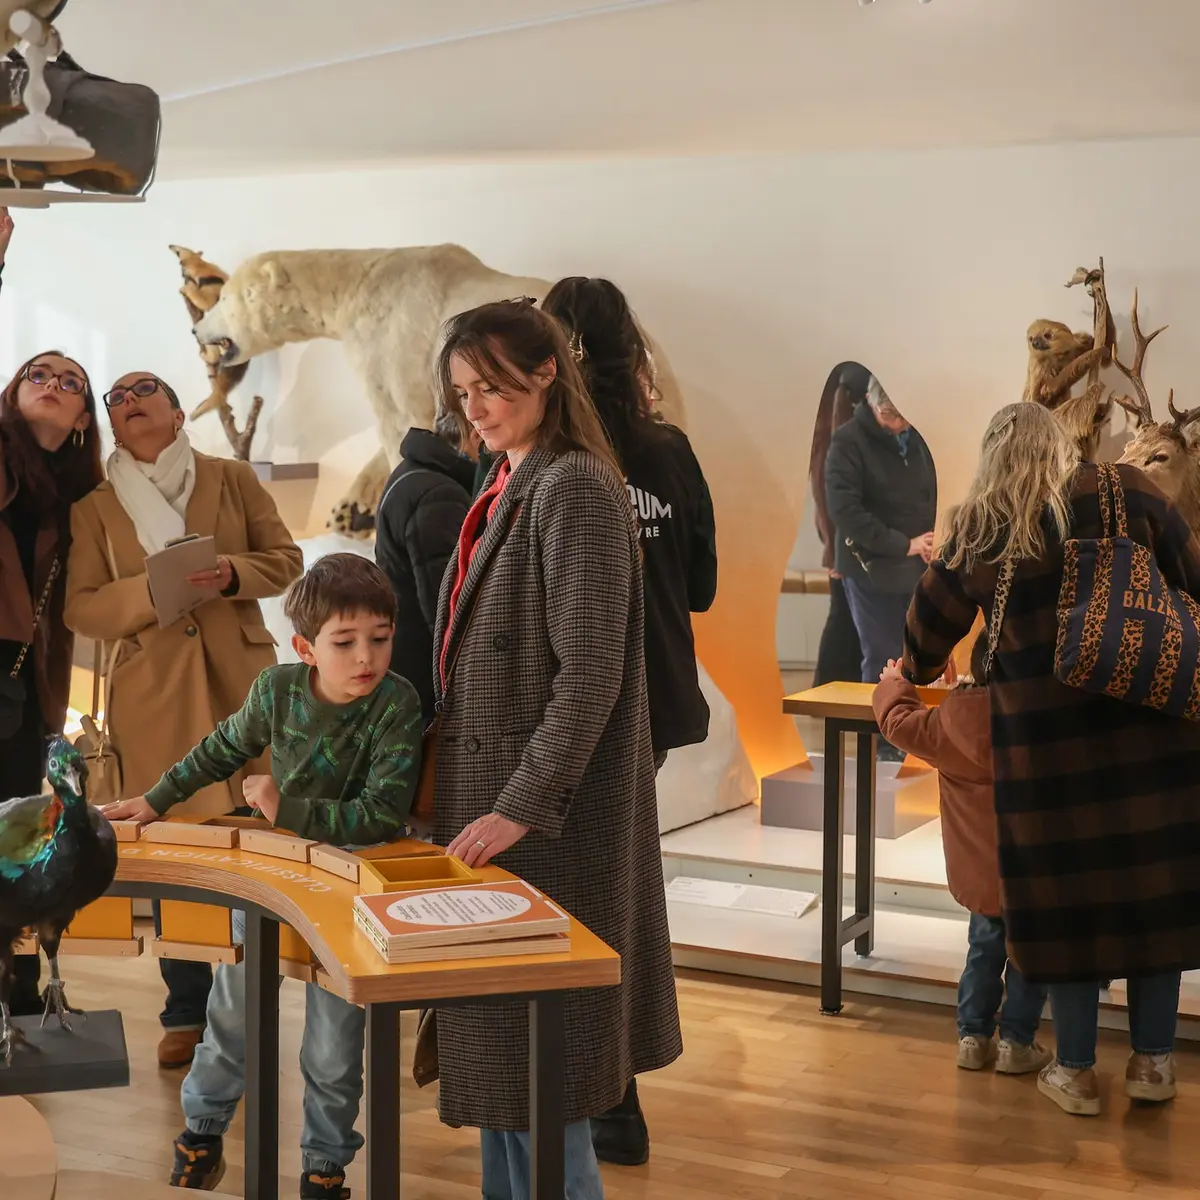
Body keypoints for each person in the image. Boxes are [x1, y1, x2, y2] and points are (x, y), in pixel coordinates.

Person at [432, 299, 681, 1199]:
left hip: (547, 826)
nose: (477, 409)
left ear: (546, 374)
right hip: (502, 812)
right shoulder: (513, 476)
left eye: (492, 386)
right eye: (463, 393)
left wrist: (520, 805)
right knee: (509, 1081)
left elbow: (590, 678)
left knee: (543, 1074)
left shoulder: (572, 484)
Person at [902, 402, 1200, 1117]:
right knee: (1151, 898)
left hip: (1046, 759)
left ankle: (1074, 1072)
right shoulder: (1131, 494)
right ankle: (1154, 1065)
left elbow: (920, 647)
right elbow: (1193, 579)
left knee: (1067, 905)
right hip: (1152, 737)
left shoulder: (984, 525)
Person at [101, 553, 422, 1198]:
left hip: (353, 887)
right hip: (276, 875)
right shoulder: (276, 690)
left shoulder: (398, 704)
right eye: (345, 642)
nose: (366, 657)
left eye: (380, 639)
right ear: (305, 647)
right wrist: (155, 801)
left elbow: (381, 814)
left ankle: (324, 1168)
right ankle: (201, 1133)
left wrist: (286, 807)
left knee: (334, 1047)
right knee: (231, 1015)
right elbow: (221, 747)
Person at [63, 371, 302, 1070]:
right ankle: (186, 1009)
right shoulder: (95, 507)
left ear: (175, 409)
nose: (129, 402)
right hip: (152, 692)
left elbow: (285, 561)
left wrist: (230, 573)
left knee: (251, 838)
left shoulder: (231, 479)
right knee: (173, 844)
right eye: (116, 398)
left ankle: (252, 995)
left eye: (145, 390)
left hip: (240, 682)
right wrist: (150, 589)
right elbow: (81, 608)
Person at [541, 275, 715, 1166]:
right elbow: (708, 585)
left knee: (586, 897)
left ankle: (604, 1096)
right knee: (611, 889)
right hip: (655, 696)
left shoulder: (550, 458)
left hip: (573, 704)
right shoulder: (668, 449)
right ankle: (607, 1096)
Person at [874, 639, 1050, 1076]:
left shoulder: (949, 723)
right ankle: (1016, 1043)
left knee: (982, 951)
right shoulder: (1041, 720)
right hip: (1034, 874)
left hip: (979, 875)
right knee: (1030, 958)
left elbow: (897, 720)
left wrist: (897, 681)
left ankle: (972, 1038)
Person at [1, 317, 104, 1016]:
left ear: (80, 422)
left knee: (13, 844)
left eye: (72, 383)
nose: (54, 384)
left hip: (20, 691)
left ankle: (15, 989)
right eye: (38, 373)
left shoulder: (77, 501)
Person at [825, 375, 936, 687]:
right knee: (882, 656)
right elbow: (845, 511)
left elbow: (932, 492)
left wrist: (933, 536)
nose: (898, 423)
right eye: (889, 415)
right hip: (870, 566)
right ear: (871, 403)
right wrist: (904, 544)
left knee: (921, 653)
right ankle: (884, 733)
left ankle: (912, 731)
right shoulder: (847, 441)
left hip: (918, 563)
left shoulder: (920, 437)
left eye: (903, 415)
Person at [374, 413, 476, 722]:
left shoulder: (412, 472)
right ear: (474, 435)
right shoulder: (438, 494)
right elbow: (447, 612)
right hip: (427, 681)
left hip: (406, 665)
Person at [809, 364, 866, 685]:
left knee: (846, 612)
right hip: (843, 532)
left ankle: (833, 693)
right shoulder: (841, 390)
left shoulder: (840, 386)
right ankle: (829, 695)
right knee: (843, 610)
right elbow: (826, 479)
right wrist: (833, 544)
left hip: (846, 529)